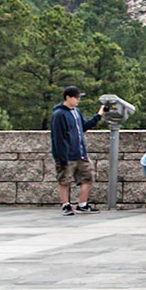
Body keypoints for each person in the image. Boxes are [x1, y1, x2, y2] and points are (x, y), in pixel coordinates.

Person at [49, 86, 101, 214]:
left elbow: (83, 127)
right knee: (64, 180)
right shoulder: (59, 114)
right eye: (76, 97)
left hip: (80, 154)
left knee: (87, 178)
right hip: (67, 156)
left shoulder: (76, 112)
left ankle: (82, 204)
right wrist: (61, 157)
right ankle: (65, 205)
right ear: (68, 97)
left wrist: (99, 115)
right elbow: (58, 138)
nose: (78, 100)